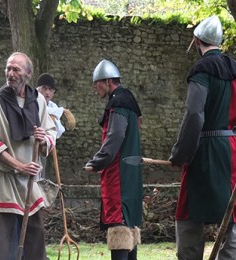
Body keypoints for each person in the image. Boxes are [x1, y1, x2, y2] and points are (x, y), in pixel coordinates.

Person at [169, 15, 236, 260]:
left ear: (197, 42)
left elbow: (194, 115)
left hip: (206, 150)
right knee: (232, 209)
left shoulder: (202, 69)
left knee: (190, 212)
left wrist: (180, 154)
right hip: (235, 149)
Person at [0, 52, 56, 260]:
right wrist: (19, 166)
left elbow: (50, 133)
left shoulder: (38, 101)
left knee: (35, 238)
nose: (10, 73)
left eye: (16, 69)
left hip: (29, 182)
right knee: (0, 242)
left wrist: (43, 139)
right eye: (8, 68)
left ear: (28, 74)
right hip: (4, 181)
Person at [84, 59, 143, 260]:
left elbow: (115, 137)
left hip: (119, 175)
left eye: (97, 83)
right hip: (131, 173)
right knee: (129, 227)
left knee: (119, 226)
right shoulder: (130, 101)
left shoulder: (118, 102)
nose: (95, 88)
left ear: (108, 81)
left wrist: (96, 162)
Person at [35, 73, 77, 180]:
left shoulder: (53, 106)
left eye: (51, 90)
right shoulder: (33, 102)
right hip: (31, 145)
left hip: (44, 145)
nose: (47, 92)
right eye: (45, 89)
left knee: (41, 174)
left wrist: (61, 112)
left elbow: (55, 115)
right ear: (38, 89)